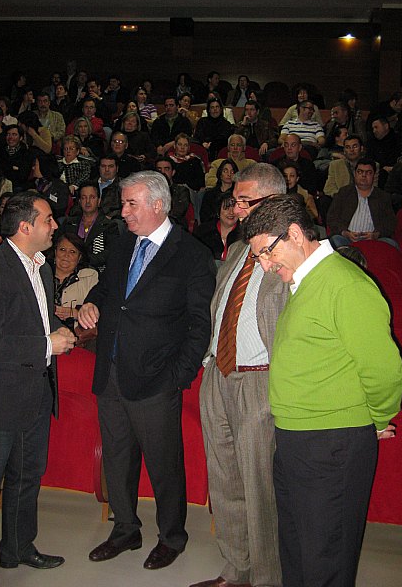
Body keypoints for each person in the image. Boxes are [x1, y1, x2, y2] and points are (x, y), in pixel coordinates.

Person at [242, 195, 402, 587]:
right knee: (298, 553)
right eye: (258, 257)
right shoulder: (306, 283)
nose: (264, 265)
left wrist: (377, 419)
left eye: (266, 252)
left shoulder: (345, 284)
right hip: (297, 440)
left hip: (332, 445)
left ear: (295, 234)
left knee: (325, 560)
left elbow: (384, 371)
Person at [78, 171, 215, 571]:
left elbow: (198, 325)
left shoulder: (191, 254)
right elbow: (107, 290)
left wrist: (178, 375)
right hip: (112, 372)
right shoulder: (123, 245)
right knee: (117, 458)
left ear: (158, 204)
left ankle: (172, 536)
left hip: (157, 379)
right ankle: (125, 530)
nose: (123, 211)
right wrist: (91, 303)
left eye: (131, 203)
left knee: (164, 464)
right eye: (122, 203)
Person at [0, 192, 76, 587]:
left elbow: (29, 322)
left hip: (35, 391)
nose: (54, 226)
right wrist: (47, 345)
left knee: (27, 477)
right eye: (47, 219)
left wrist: (55, 332)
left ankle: (19, 548)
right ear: (25, 227)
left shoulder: (39, 267)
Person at [191, 163, 288, 587]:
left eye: (246, 201)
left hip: (260, 383)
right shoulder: (235, 251)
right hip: (219, 376)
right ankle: (235, 572)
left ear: (275, 202)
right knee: (225, 483)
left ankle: (267, 578)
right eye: (235, 201)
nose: (236, 210)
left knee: (259, 490)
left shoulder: (293, 254)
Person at [327, 158, 397, 247]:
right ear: (354, 174)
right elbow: (331, 218)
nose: (364, 175)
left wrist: (376, 234)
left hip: (374, 240)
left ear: (374, 175)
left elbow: (390, 222)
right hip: (347, 239)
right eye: (360, 172)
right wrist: (345, 233)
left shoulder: (383, 197)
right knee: (335, 241)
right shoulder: (344, 193)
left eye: (368, 172)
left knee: (392, 245)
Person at [59, 182, 122, 272]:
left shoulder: (110, 226)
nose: (88, 201)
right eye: (84, 198)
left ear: (99, 201)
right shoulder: (69, 223)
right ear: (80, 201)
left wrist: (82, 260)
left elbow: (111, 253)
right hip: (69, 272)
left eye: (92, 197)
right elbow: (57, 246)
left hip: (98, 274)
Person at [52, 232, 99, 330]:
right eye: (62, 249)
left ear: (79, 257)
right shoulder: (41, 274)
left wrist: (75, 313)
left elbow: (99, 310)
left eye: (72, 252)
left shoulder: (90, 276)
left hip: (79, 337)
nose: (66, 255)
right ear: (55, 252)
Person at [194, 191, 240, 262]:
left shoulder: (244, 234)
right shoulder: (203, 231)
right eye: (226, 208)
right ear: (218, 211)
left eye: (234, 208)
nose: (231, 212)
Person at [195, 97, 234, 161]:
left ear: (221, 109)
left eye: (217, 107)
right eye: (212, 107)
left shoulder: (226, 124)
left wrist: (211, 144)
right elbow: (198, 135)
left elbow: (224, 138)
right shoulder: (202, 121)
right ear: (209, 110)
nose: (215, 109)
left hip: (219, 153)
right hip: (202, 149)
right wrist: (203, 143)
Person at [200, 158, 238, 223]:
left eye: (232, 172)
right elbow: (204, 216)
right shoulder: (209, 194)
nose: (229, 174)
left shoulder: (237, 195)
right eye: (225, 171)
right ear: (220, 174)